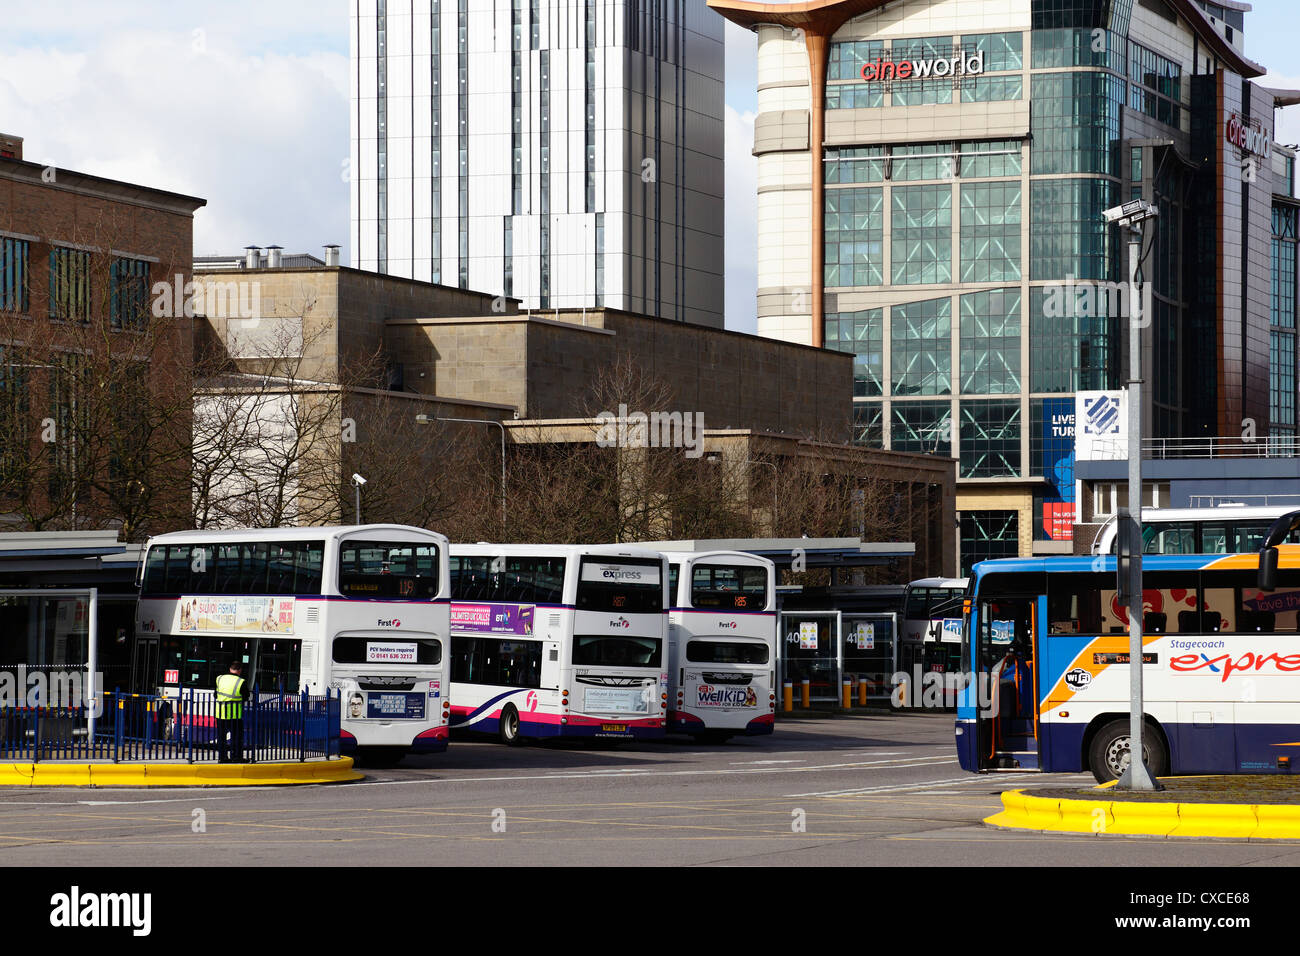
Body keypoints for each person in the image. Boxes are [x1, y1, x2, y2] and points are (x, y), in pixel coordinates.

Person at [215, 661, 248, 763]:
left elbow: (215, 694)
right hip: (235, 714)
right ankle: (236, 757)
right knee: (237, 737)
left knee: (221, 737)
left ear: (230, 669)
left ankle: (223, 757)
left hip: (220, 713)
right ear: (239, 670)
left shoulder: (219, 678)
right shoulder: (241, 681)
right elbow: (246, 696)